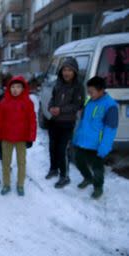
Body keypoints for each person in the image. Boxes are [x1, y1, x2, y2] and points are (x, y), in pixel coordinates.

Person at [72, 76, 119, 199]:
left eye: (91, 91)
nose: (89, 94)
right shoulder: (89, 101)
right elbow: (83, 122)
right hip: (83, 141)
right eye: (88, 91)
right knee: (79, 161)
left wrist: (104, 147)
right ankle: (88, 178)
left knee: (97, 168)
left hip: (97, 144)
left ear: (101, 90)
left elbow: (111, 129)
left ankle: (98, 187)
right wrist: (77, 137)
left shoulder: (110, 105)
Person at [0, 76, 36, 196]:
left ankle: (20, 185)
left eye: (18, 87)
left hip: (21, 139)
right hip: (6, 138)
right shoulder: (4, 102)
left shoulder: (28, 103)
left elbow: (32, 121)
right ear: (9, 88)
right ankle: (6, 184)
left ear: (23, 88)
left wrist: (31, 137)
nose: (15, 89)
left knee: (21, 162)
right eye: (12, 87)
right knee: (6, 162)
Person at [45, 57, 85, 188]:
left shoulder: (78, 86)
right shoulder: (58, 83)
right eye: (64, 70)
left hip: (67, 123)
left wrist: (60, 109)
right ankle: (53, 169)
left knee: (62, 150)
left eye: (69, 70)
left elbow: (77, 105)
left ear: (75, 72)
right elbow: (52, 98)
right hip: (54, 121)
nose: (66, 73)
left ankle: (64, 176)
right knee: (52, 147)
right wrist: (50, 107)